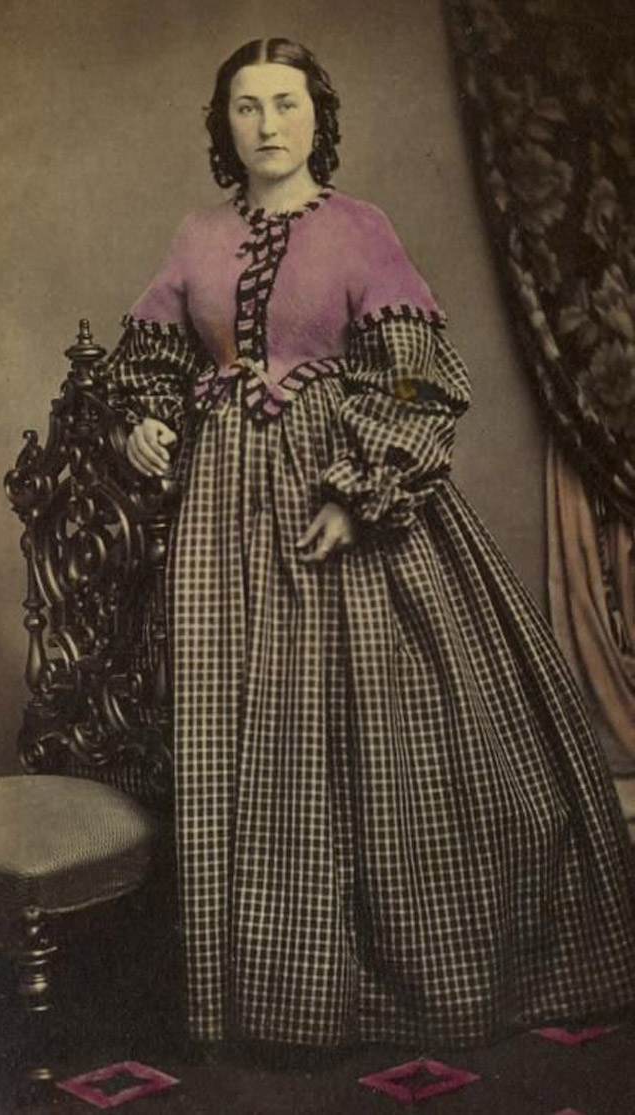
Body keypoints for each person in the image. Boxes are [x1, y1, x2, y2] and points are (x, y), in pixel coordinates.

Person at [105, 38, 635, 1051]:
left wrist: (360, 492)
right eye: (247, 106)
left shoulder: (362, 230)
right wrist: (142, 421)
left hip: (349, 504)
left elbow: (416, 377)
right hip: (224, 520)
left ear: (319, 116)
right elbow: (146, 361)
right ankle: (272, 991)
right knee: (246, 731)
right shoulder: (196, 236)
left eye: (286, 103)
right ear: (223, 124)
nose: (268, 125)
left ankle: (399, 974)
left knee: (377, 727)